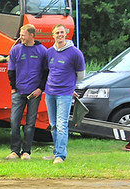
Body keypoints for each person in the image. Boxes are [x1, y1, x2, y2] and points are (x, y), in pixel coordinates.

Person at [42, 24, 85, 164]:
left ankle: (61, 155)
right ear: (52, 35)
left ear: (66, 34)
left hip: (64, 94)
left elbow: (81, 75)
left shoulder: (75, 53)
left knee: (61, 124)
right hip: (50, 92)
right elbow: (48, 71)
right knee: (53, 124)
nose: (60, 35)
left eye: (62, 32)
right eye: (57, 33)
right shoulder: (49, 52)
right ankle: (56, 152)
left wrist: (70, 87)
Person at [6, 24, 47, 160]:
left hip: (34, 93)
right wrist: (13, 88)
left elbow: (46, 72)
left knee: (30, 123)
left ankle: (26, 152)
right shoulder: (16, 50)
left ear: (31, 35)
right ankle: (14, 151)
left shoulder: (42, 51)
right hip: (18, 92)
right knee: (14, 121)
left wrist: (40, 89)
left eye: (23, 34)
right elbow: (11, 70)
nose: (21, 37)